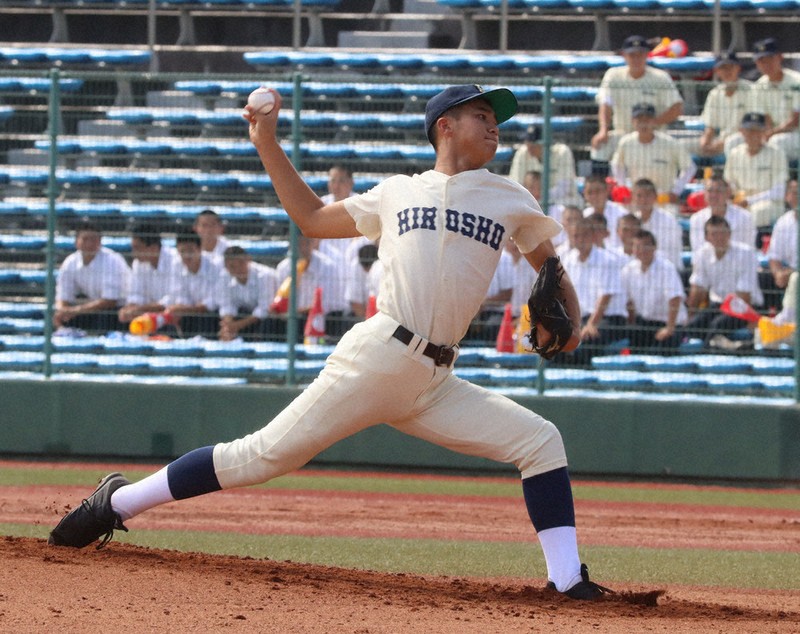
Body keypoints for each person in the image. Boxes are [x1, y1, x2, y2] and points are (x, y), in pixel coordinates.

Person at [48, 84, 611, 601]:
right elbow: (313, 218)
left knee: (540, 441)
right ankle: (118, 501)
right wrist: (266, 142)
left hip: (436, 381)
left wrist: (572, 321)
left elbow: (549, 266)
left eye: (496, 119)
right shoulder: (397, 192)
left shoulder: (509, 196)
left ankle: (567, 579)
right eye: (482, 115)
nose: (494, 127)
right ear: (445, 125)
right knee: (260, 456)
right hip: (379, 356)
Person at [591, 34, 684, 170]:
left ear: (647, 55)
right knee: (601, 145)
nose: (636, 59)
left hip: (654, 135)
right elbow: (605, 104)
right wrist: (603, 130)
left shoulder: (660, 77)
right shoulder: (613, 75)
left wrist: (651, 124)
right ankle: (598, 182)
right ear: (624, 55)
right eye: (632, 55)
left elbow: (677, 107)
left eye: (640, 54)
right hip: (623, 133)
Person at [684, 216, 763, 345]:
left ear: (729, 234)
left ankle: (707, 354)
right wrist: (690, 315)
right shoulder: (702, 254)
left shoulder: (746, 253)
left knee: (717, 326)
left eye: (723, 233)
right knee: (692, 326)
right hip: (718, 306)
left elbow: (745, 296)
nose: (719, 237)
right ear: (707, 237)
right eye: (714, 234)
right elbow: (698, 288)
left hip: (746, 308)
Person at [560, 216, 628, 363]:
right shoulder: (568, 260)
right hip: (580, 318)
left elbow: (605, 298)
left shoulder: (607, 260)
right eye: (576, 236)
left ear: (592, 236)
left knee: (586, 342)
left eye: (584, 235)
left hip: (609, 319)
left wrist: (592, 324)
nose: (580, 239)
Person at [610, 103, 696, 210]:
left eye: (647, 120)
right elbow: (617, 164)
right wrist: (622, 186)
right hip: (637, 202)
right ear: (632, 121)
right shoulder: (626, 143)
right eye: (639, 120)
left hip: (663, 202)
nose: (643, 124)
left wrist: (676, 191)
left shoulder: (670, 143)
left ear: (654, 121)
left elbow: (690, 167)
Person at [53, 220, 130, 334]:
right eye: (85, 239)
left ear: (100, 242)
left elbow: (110, 301)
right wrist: (62, 311)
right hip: (92, 309)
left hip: (118, 311)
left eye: (94, 239)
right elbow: (63, 296)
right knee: (57, 316)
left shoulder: (112, 261)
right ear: (76, 242)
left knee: (105, 317)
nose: (89, 244)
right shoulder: (70, 262)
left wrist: (75, 311)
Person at [273, 234, 350, 338]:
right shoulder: (283, 268)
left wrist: (299, 311)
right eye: (298, 244)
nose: (302, 248)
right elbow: (278, 300)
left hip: (320, 317)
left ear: (312, 243)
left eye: (306, 243)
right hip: (290, 318)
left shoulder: (327, 266)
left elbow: (327, 304)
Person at [622, 229, 686, 352]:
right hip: (645, 323)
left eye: (645, 246)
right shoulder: (628, 270)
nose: (641, 250)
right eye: (637, 246)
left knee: (664, 347)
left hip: (670, 323)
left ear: (654, 247)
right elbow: (628, 301)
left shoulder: (666, 268)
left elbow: (675, 298)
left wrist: (669, 328)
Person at [723, 112, 789, 229]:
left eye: (757, 130)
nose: (753, 134)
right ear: (742, 131)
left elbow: (779, 191)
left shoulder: (777, 153)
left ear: (764, 131)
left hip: (769, 203)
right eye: (749, 130)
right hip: (739, 201)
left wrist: (749, 200)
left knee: (756, 213)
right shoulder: (735, 154)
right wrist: (735, 199)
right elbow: (729, 182)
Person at [117, 222, 181, 328]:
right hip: (148, 316)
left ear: (153, 248)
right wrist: (129, 309)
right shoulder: (138, 263)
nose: (133, 253)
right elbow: (135, 294)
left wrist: (140, 309)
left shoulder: (176, 261)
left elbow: (173, 299)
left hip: (174, 317)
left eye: (137, 248)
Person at [164, 228, 222, 338]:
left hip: (212, 317)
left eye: (190, 251)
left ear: (200, 249)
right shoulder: (176, 265)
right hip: (189, 315)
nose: (186, 255)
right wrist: (180, 309)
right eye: (182, 252)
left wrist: (186, 309)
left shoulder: (216, 265)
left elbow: (213, 302)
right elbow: (180, 296)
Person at [750, 37, 800, 159]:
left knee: (775, 142)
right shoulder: (759, 86)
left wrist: (770, 134)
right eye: (761, 61)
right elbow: (765, 119)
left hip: (796, 134)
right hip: (774, 134)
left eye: (770, 59)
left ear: (780, 57)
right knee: (737, 142)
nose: (766, 64)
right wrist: (765, 135)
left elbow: (794, 121)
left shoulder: (797, 81)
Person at [217, 246, 280, 342]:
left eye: (241, 263)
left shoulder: (266, 276)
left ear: (248, 260)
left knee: (269, 320)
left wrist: (237, 325)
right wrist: (227, 327)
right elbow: (227, 305)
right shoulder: (224, 277)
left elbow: (265, 309)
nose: (238, 268)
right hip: (245, 317)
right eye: (232, 266)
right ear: (226, 266)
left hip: (268, 319)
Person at [698, 51, 751, 158]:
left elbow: (752, 126)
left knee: (731, 143)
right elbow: (710, 127)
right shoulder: (714, 94)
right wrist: (705, 142)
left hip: (746, 139)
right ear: (717, 71)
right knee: (684, 145)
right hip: (721, 140)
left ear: (738, 68)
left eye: (730, 67)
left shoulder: (751, 90)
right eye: (723, 68)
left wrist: (722, 144)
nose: (727, 71)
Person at [508, 125, 579, 204]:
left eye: (534, 142)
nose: (529, 145)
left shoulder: (562, 152)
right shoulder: (522, 153)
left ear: (544, 142)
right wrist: (533, 198)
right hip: (529, 202)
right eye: (527, 141)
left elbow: (564, 189)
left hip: (561, 203)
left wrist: (539, 196)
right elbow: (515, 184)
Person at [688, 175, 756, 253]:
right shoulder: (696, 219)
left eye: (718, 191)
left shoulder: (744, 218)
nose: (713, 195)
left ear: (728, 193)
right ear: (704, 193)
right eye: (710, 190)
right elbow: (697, 252)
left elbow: (749, 250)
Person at [629, 178, 684, 272]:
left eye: (647, 195)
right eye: (639, 196)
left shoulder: (669, 221)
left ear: (655, 197)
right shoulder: (631, 222)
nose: (643, 200)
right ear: (633, 198)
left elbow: (672, 254)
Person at [766, 179, 799, 291]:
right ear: (786, 197)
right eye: (795, 193)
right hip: (794, 282)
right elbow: (774, 256)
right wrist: (779, 274)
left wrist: (792, 273)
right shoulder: (783, 222)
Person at [581, 173, 628, 250]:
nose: (594, 196)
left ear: (607, 191)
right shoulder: (584, 215)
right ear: (584, 195)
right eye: (590, 192)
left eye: (598, 191)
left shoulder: (622, 214)